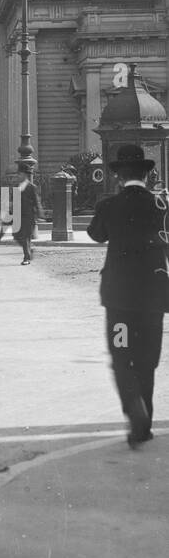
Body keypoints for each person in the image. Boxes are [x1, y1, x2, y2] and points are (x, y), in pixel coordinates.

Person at [87, 144, 169, 448]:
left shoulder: (109, 206)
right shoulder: (162, 205)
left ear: (119, 176)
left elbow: (96, 235)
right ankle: (143, 424)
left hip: (119, 300)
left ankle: (134, 408)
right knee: (148, 359)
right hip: (153, 299)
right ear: (148, 175)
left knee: (122, 357)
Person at [13, 164, 42, 264]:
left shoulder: (31, 187)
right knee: (16, 235)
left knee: (25, 236)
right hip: (18, 216)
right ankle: (29, 249)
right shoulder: (17, 187)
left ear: (25, 175)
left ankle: (26, 258)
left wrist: (40, 214)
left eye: (20, 174)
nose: (18, 176)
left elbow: (36, 201)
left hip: (29, 216)